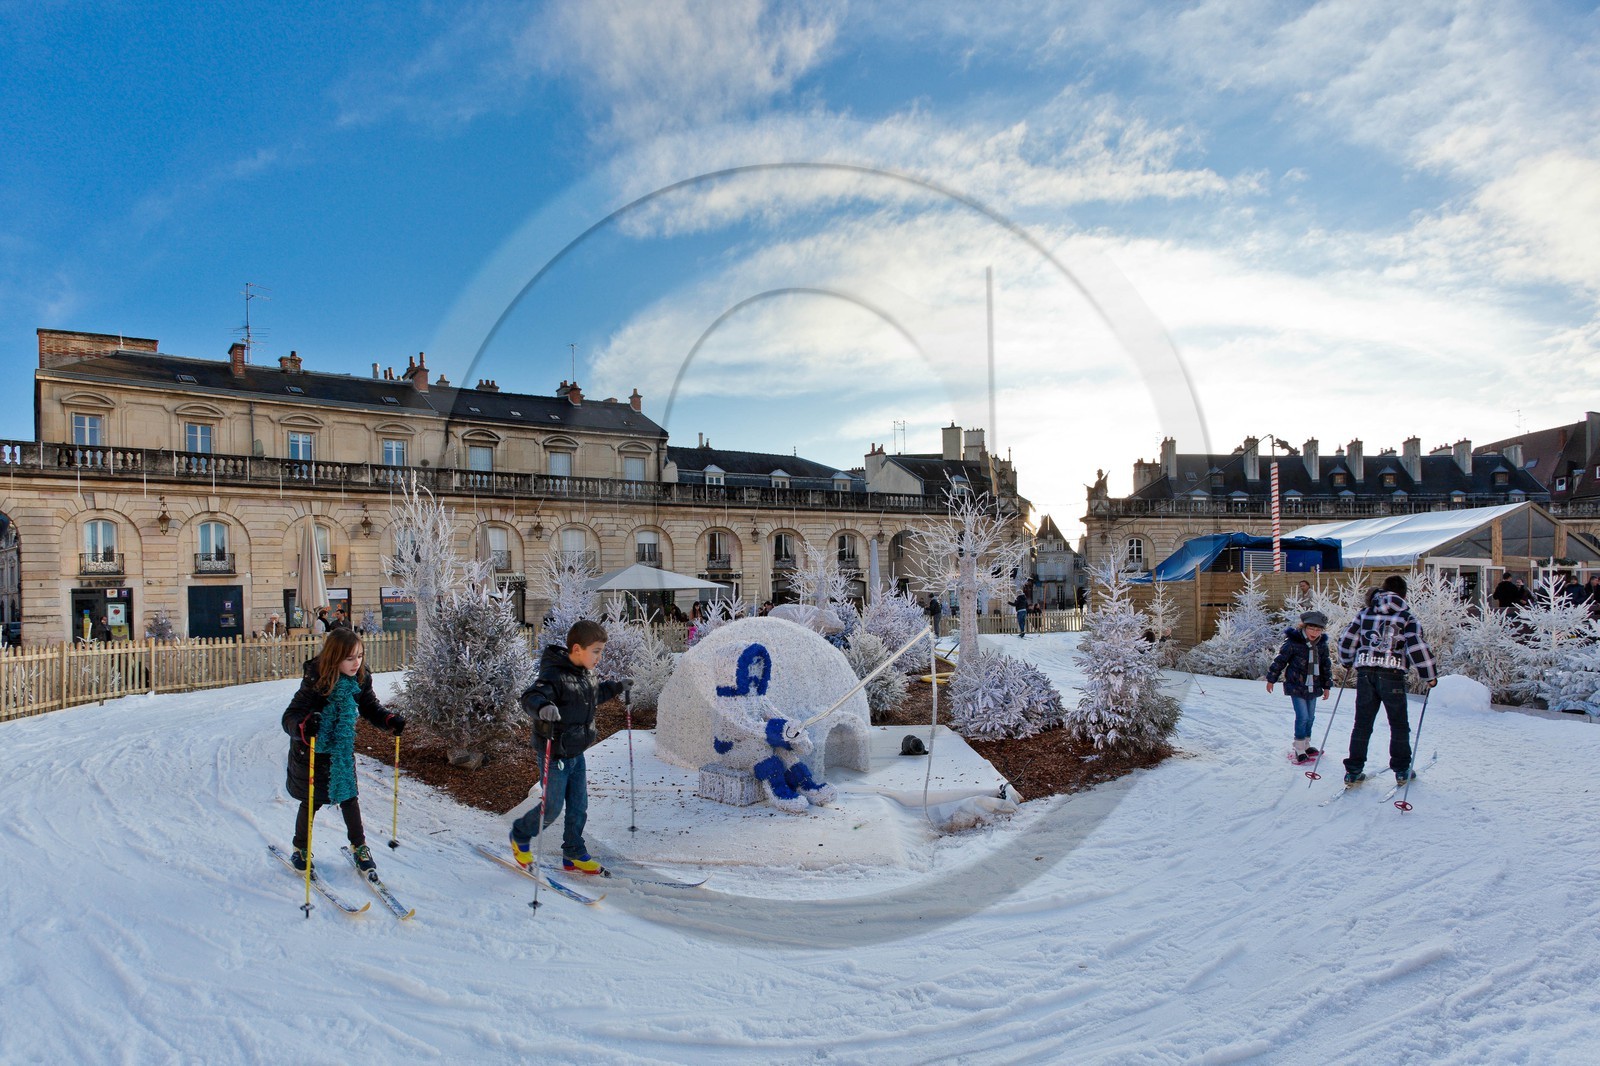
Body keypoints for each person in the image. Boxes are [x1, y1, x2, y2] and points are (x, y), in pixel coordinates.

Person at [508, 620, 629, 876]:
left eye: (601, 651)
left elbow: (593, 696)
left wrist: (617, 687)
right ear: (577, 649)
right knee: (551, 807)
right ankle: (520, 834)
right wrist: (542, 707)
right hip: (555, 754)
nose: (599, 657)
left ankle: (573, 852)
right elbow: (531, 696)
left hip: (576, 752)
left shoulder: (585, 674)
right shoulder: (554, 674)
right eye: (596, 651)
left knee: (578, 806)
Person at [280, 629, 406, 873]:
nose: (356, 662)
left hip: (341, 750)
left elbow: (369, 706)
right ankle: (300, 849)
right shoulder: (315, 681)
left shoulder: (360, 678)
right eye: (349, 658)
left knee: (349, 798)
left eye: (359, 656)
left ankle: (359, 847)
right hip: (312, 752)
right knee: (311, 802)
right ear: (334, 658)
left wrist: (388, 720)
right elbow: (290, 716)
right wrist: (304, 727)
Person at [1336, 575, 1437, 786]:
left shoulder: (1364, 613)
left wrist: (1346, 661)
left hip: (1365, 673)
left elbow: (1347, 640)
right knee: (1398, 724)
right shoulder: (1406, 617)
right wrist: (1429, 676)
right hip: (1392, 675)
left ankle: (1353, 771)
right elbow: (1416, 646)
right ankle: (1401, 770)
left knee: (1362, 724)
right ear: (1403, 594)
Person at [1266, 610, 1333, 763]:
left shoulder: (1321, 646)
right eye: (1311, 629)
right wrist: (1271, 679)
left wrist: (1327, 686)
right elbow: (1280, 661)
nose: (1314, 633)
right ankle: (1299, 748)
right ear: (1304, 627)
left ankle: (1307, 744)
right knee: (1302, 717)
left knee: (1310, 718)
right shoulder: (1293, 643)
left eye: (1318, 630)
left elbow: (1325, 667)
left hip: (1314, 686)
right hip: (1296, 685)